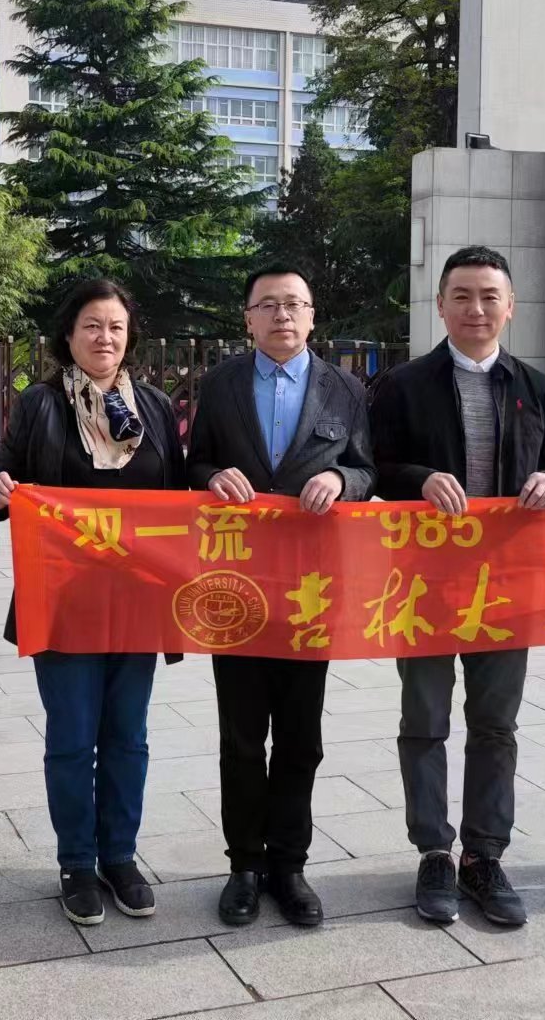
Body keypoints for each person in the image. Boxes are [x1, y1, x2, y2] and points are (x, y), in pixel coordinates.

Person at [367, 245, 545, 928]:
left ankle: (485, 855)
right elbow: (373, 467)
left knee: (495, 724)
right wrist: (419, 479)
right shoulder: (401, 386)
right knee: (424, 720)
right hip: (424, 582)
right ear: (440, 306)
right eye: (461, 295)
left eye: (489, 296)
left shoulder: (537, 388)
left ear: (510, 307)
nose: (475, 308)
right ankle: (434, 851)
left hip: (507, 581)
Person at [0, 278, 189, 927]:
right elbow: (2, 470)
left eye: (116, 327)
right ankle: (76, 861)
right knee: (72, 738)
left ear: (130, 337)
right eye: (92, 325)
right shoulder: (41, 404)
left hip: (137, 601)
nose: (105, 338)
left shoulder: (154, 407)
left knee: (128, 736)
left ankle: (119, 857)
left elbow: (181, 495)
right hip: (64, 601)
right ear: (68, 335)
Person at [188, 264, 376, 929]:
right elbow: (193, 463)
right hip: (236, 587)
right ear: (248, 318)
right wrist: (213, 476)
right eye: (267, 305)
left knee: (301, 737)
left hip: (309, 590)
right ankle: (244, 865)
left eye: (294, 304)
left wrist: (342, 483)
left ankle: (289, 866)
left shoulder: (345, 389)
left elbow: (367, 468)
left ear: (313, 315)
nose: (282, 315)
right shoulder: (221, 384)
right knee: (241, 737)